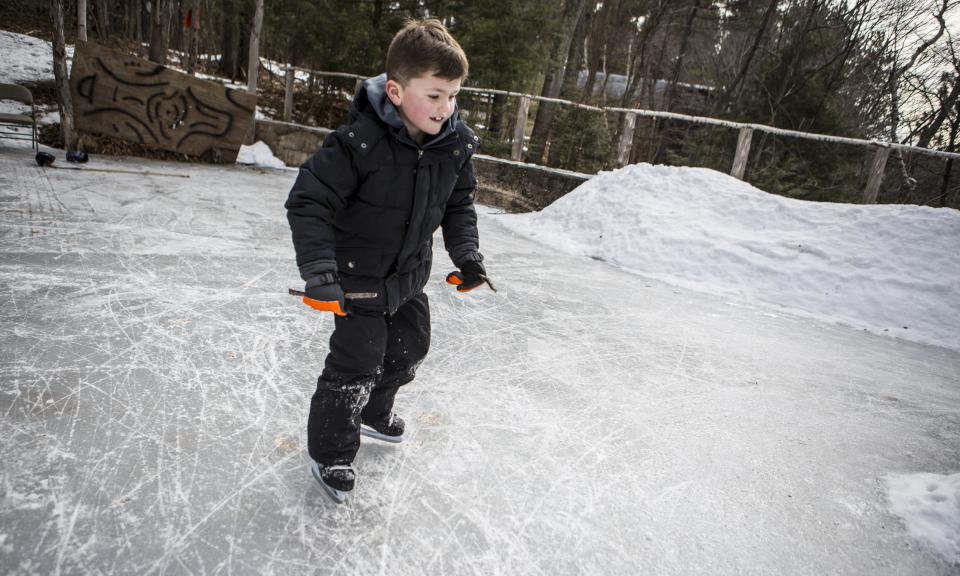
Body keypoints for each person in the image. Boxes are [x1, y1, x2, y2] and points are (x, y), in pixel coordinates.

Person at [284, 18, 493, 502]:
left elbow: (458, 205)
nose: (446, 108)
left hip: (407, 278)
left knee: (409, 349)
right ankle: (332, 452)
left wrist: (468, 255)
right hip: (356, 281)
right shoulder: (357, 144)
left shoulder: (455, 147)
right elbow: (308, 202)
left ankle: (374, 413)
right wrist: (319, 273)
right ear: (396, 91)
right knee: (356, 364)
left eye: (454, 95)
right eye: (435, 95)